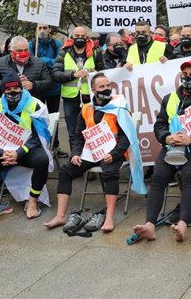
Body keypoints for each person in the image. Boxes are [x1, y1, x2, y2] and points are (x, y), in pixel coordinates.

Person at [133, 60, 191, 242]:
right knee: (158, 177)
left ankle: (183, 223)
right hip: (172, 146)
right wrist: (166, 137)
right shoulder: (169, 98)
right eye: (184, 75)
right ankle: (150, 225)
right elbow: (159, 124)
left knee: (187, 176)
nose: (187, 78)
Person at [44, 73, 134, 233]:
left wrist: (114, 154)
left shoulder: (119, 108)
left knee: (110, 171)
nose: (106, 89)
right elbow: (77, 135)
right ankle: (60, 216)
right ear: (93, 90)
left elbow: (126, 138)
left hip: (114, 153)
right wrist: (76, 153)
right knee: (65, 171)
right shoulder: (86, 109)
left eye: (108, 86)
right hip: (92, 151)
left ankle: (109, 217)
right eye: (102, 87)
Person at [0, 73, 52, 228]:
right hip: (2, 151)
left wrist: (19, 152)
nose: (13, 92)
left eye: (16, 88)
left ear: (21, 87)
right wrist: (1, 152)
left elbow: (40, 137)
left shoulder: (34, 105)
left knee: (42, 160)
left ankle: (32, 202)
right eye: (9, 89)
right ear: (3, 91)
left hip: (26, 150)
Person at [52, 27, 105, 147]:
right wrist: (73, 75)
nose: (80, 38)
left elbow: (104, 73)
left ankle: (91, 158)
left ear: (87, 38)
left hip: (90, 98)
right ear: (72, 37)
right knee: (73, 131)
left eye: (82, 36)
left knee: (92, 129)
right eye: (77, 36)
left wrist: (95, 73)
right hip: (70, 99)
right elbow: (55, 74)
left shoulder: (96, 52)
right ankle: (75, 158)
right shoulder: (64, 52)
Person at [29, 24, 64, 156]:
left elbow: (59, 62)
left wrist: (43, 60)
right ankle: (39, 145)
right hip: (37, 88)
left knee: (53, 118)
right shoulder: (31, 44)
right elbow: (30, 61)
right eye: (39, 28)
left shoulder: (57, 44)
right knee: (37, 118)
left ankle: (55, 146)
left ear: (50, 29)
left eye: (45, 28)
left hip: (54, 88)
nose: (42, 30)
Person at [0, 36, 54, 102]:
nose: (23, 54)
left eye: (26, 50)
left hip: (31, 106)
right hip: (7, 107)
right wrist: (11, 83)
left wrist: (33, 85)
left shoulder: (39, 63)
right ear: (10, 51)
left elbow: (49, 82)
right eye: (19, 51)